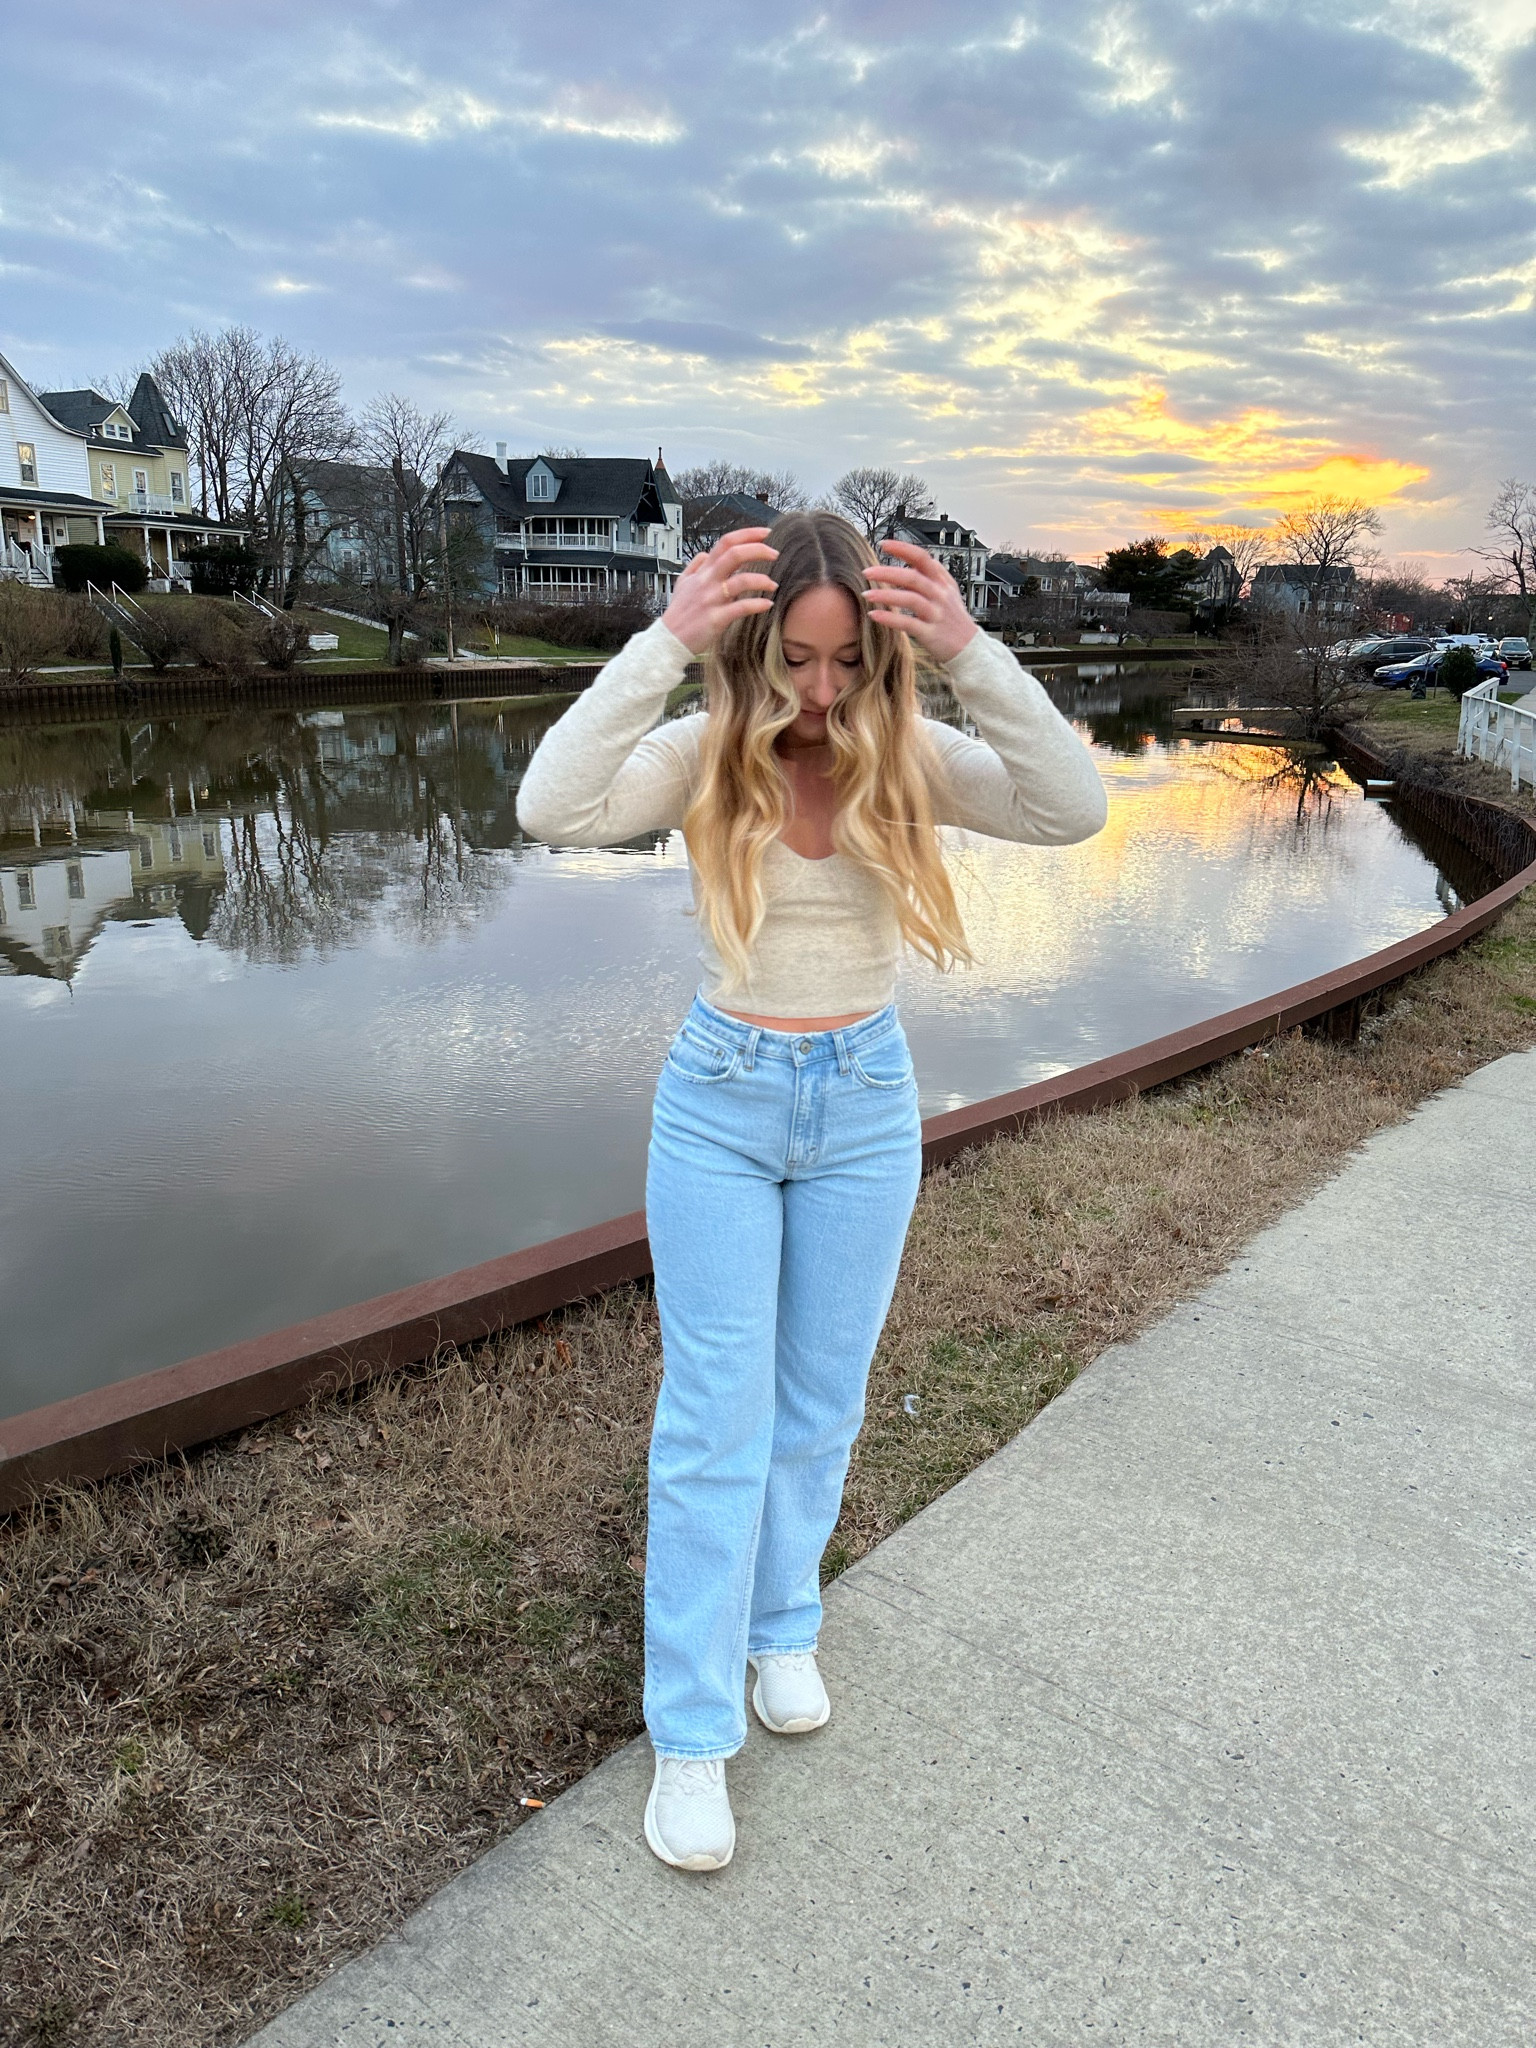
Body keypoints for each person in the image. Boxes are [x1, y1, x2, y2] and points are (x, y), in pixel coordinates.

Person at [516, 510, 1106, 1871]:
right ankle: (692, 1733)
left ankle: (784, 1623)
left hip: (865, 1108)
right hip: (719, 1104)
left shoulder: (907, 754)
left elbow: (1074, 808)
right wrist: (664, 639)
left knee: (821, 1398)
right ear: (754, 648)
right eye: (796, 658)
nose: (822, 692)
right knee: (714, 1420)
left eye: (850, 661)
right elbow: (550, 806)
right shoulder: (705, 752)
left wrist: (969, 650)